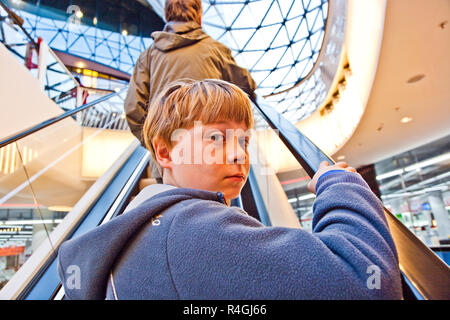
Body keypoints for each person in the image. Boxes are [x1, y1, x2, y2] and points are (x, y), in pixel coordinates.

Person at [57, 79, 403, 299]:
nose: (239, 153)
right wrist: (339, 185)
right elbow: (363, 285)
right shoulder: (191, 229)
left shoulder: (139, 235)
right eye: (216, 138)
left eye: (244, 140)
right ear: (164, 151)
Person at [124, 0, 257, 181]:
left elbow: (133, 109)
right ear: (199, 17)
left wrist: (165, 143)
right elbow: (246, 85)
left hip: (168, 165)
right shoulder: (214, 49)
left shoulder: (149, 56)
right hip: (214, 161)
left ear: (167, 15)